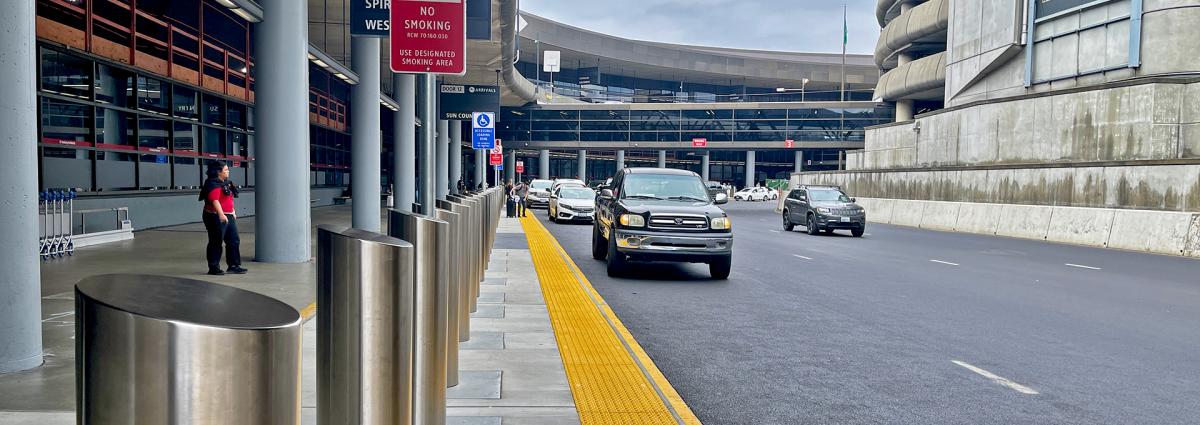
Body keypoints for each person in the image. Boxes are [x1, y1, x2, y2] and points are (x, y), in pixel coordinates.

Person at [200, 160, 246, 276]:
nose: (228, 172)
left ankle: (234, 265)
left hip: (228, 215)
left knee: (233, 240)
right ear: (218, 172)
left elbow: (229, 198)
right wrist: (221, 214)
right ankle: (214, 267)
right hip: (215, 216)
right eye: (225, 170)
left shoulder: (226, 182)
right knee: (216, 241)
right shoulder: (212, 184)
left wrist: (232, 211)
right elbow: (214, 200)